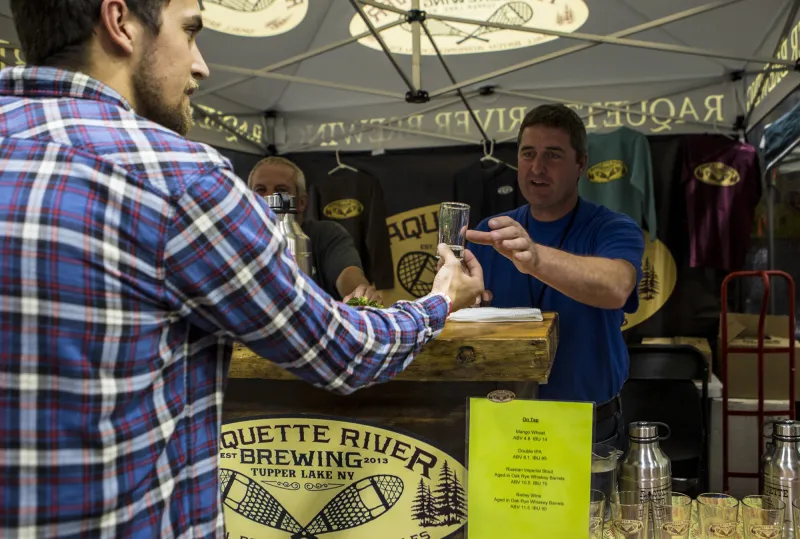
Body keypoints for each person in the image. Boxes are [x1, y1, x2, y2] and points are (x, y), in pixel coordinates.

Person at [0, 1, 485, 537]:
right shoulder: (179, 179)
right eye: (190, 32)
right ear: (120, 23)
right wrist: (440, 300)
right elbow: (342, 352)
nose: (202, 65)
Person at [466, 104, 645, 451]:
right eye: (528, 154)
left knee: (593, 509)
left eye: (553, 155)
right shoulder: (493, 233)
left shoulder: (612, 227)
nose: (537, 167)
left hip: (587, 427)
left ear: (581, 164)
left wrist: (535, 257)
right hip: (503, 424)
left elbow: (616, 287)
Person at [248, 156, 381, 304]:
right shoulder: (237, 240)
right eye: (260, 190)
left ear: (301, 202)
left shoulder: (326, 235)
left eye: (281, 190)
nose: (270, 197)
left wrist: (359, 293)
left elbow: (347, 274)